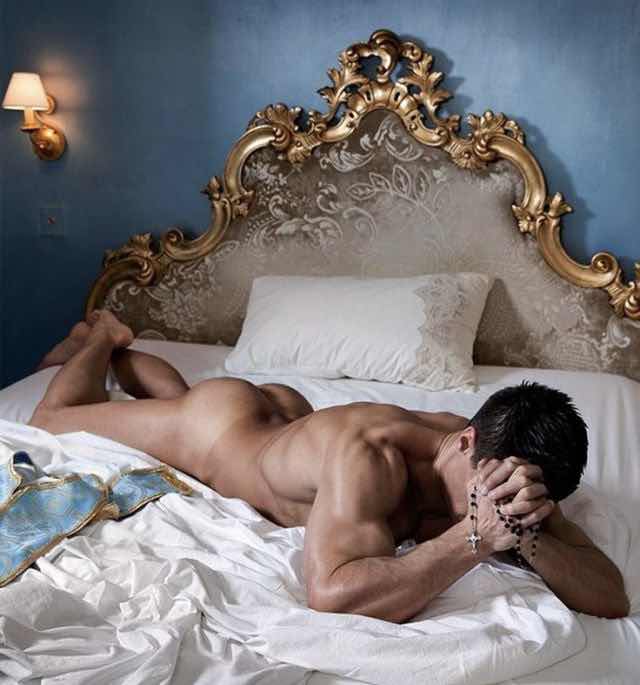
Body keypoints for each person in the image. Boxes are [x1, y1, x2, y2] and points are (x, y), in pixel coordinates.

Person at [30, 310, 629, 622]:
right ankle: (102, 337)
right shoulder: (371, 456)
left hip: (291, 428)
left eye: (515, 499)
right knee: (53, 419)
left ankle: (131, 365)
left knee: (167, 401)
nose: (497, 502)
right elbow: (331, 594)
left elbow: (611, 597)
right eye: (490, 488)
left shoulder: (510, 465)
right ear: (467, 442)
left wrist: (528, 536)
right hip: (221, 432)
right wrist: (473, 538)